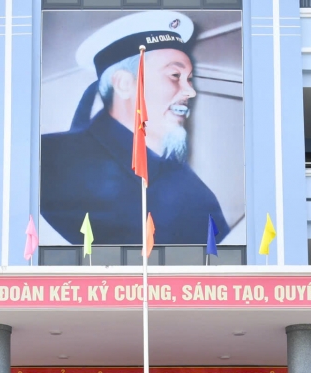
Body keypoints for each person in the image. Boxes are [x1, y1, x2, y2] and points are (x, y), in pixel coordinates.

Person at [39, 10, 230, 247]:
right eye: (174, 75)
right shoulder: (45, 162)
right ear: (125, 84)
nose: (190, 91)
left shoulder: (197, 197)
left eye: (188, 78)